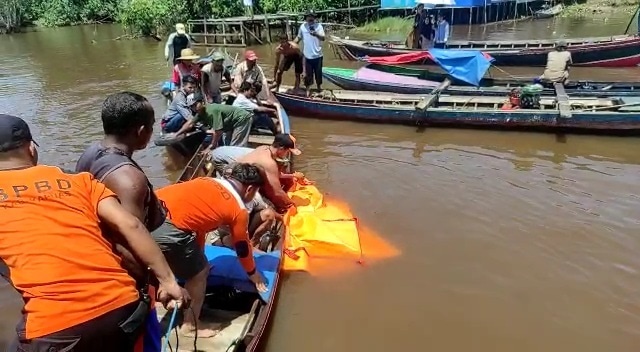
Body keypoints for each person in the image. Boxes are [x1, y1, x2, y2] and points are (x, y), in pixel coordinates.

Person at [0, 114, 190, 352]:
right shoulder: (78, 180)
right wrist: (168, 280)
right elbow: (131, 225)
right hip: (122, 308)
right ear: (31, 150)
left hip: (53, 328)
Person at [76, 92, 170, 352]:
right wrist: (154, 284)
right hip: (124, 287)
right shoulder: (129, 179)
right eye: (151, 127)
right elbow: (128, 243)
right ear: (141, 131)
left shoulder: (90, 153)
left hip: (95, 265)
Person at [153, 163, 273, 336]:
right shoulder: (239, 209)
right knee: (199, 274)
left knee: (194, 263)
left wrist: (199, 257)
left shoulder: (207, 181)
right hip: (167, 227)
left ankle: (161, 289)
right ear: (250, 189)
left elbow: (198, 225)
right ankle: (191, 325)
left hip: (144, 215)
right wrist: (253, 274)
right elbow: (242, 247)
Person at [211, 134, 301, 212]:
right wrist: (292, 204)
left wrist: (291, 175)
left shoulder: (263, 148)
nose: (286, 154)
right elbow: (276, 192)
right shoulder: (269, 163)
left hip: (233, 173)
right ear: (281, 149)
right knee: (267, 208)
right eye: (287, 152)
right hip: (237, 182)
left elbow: (276, 175)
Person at [173, 92, 253, 150]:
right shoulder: (200, 113)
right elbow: (190, 124)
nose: (194, 108)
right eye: (191, 106)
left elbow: (218, 132)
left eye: (195, 104)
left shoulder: (211, 111)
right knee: (227, 143)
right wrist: (177, 134)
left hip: (242, 119)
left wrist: (211, 146)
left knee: (236, 146)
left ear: (202, 102)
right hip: (230, 123)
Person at [295, 12, 325, 96]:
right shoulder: (303, 27)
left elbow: (323, 38)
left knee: (318, 74)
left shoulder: (319, 26)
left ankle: (319, 88)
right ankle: (307, 90)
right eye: (309, 16)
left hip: (318, 55)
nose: (311, 18)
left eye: (312, 17)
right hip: (307, 56)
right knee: (307, 75)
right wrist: (292, 44)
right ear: (306, 17)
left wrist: (316, 34)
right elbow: (299, 37)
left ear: (315, 18)